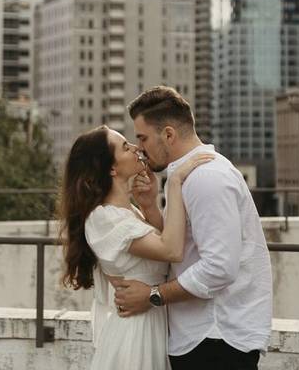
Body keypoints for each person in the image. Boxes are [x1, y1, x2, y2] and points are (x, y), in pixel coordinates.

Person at [112, 86, 273, 370]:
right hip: (202, 338)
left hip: (216, 340)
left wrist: (152, 295)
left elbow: (219, 267)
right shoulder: (186, 176)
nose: (140, 149)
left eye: (143, 138)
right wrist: (150, 207)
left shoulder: (206, 178)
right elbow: (185, 248)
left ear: (169, 134)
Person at [59, 124, 213, 370]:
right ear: (111, 168)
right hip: (135, 332)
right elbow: (172, 250)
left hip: (152, 323)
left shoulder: (128, 212)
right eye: (125, 147)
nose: (136, 148)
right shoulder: (104, 218)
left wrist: (150, 205)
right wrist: (174, 184)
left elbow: (164, 250)